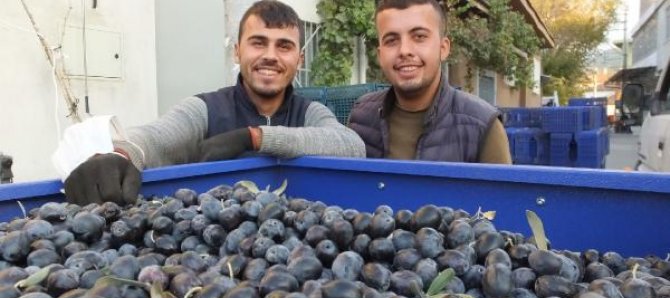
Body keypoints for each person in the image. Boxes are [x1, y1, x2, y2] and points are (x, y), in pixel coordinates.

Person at [64, 0, 365, 206]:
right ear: (237, 52)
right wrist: (120, 154)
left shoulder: (310, 112)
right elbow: (157, 137)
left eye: (284, 46)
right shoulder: (206, 109)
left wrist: (255, 137)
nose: (270, 56)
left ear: (299, 60)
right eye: (258, 42)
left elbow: (351, 146)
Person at [348, 0, 512, 163]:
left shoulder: (482, 126)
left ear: (443, 48)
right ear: (380, 54)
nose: (404, 51)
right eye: (391, 40)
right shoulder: (361, 117)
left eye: (419, 37)